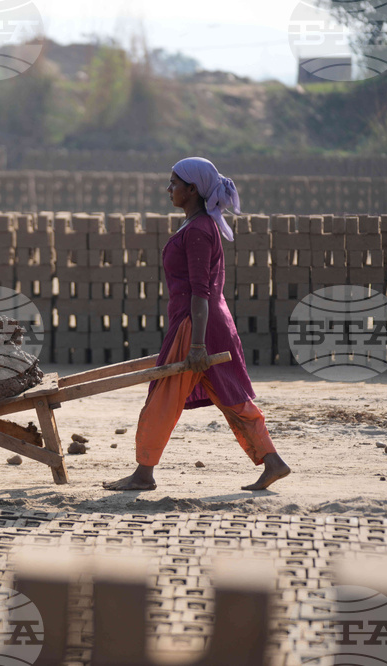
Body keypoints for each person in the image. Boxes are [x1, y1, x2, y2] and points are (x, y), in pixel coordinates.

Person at [103, 157, 291, 492]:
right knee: (231, 398)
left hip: (197, 325)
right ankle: (273, 462)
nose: (168, 189)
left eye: (174, 183)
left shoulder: (200, 231)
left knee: (163, 396)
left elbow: (201, 291)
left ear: (192, 190)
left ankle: (143, 474)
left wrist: (198, 345)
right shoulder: (197, 227)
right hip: (202, 323)